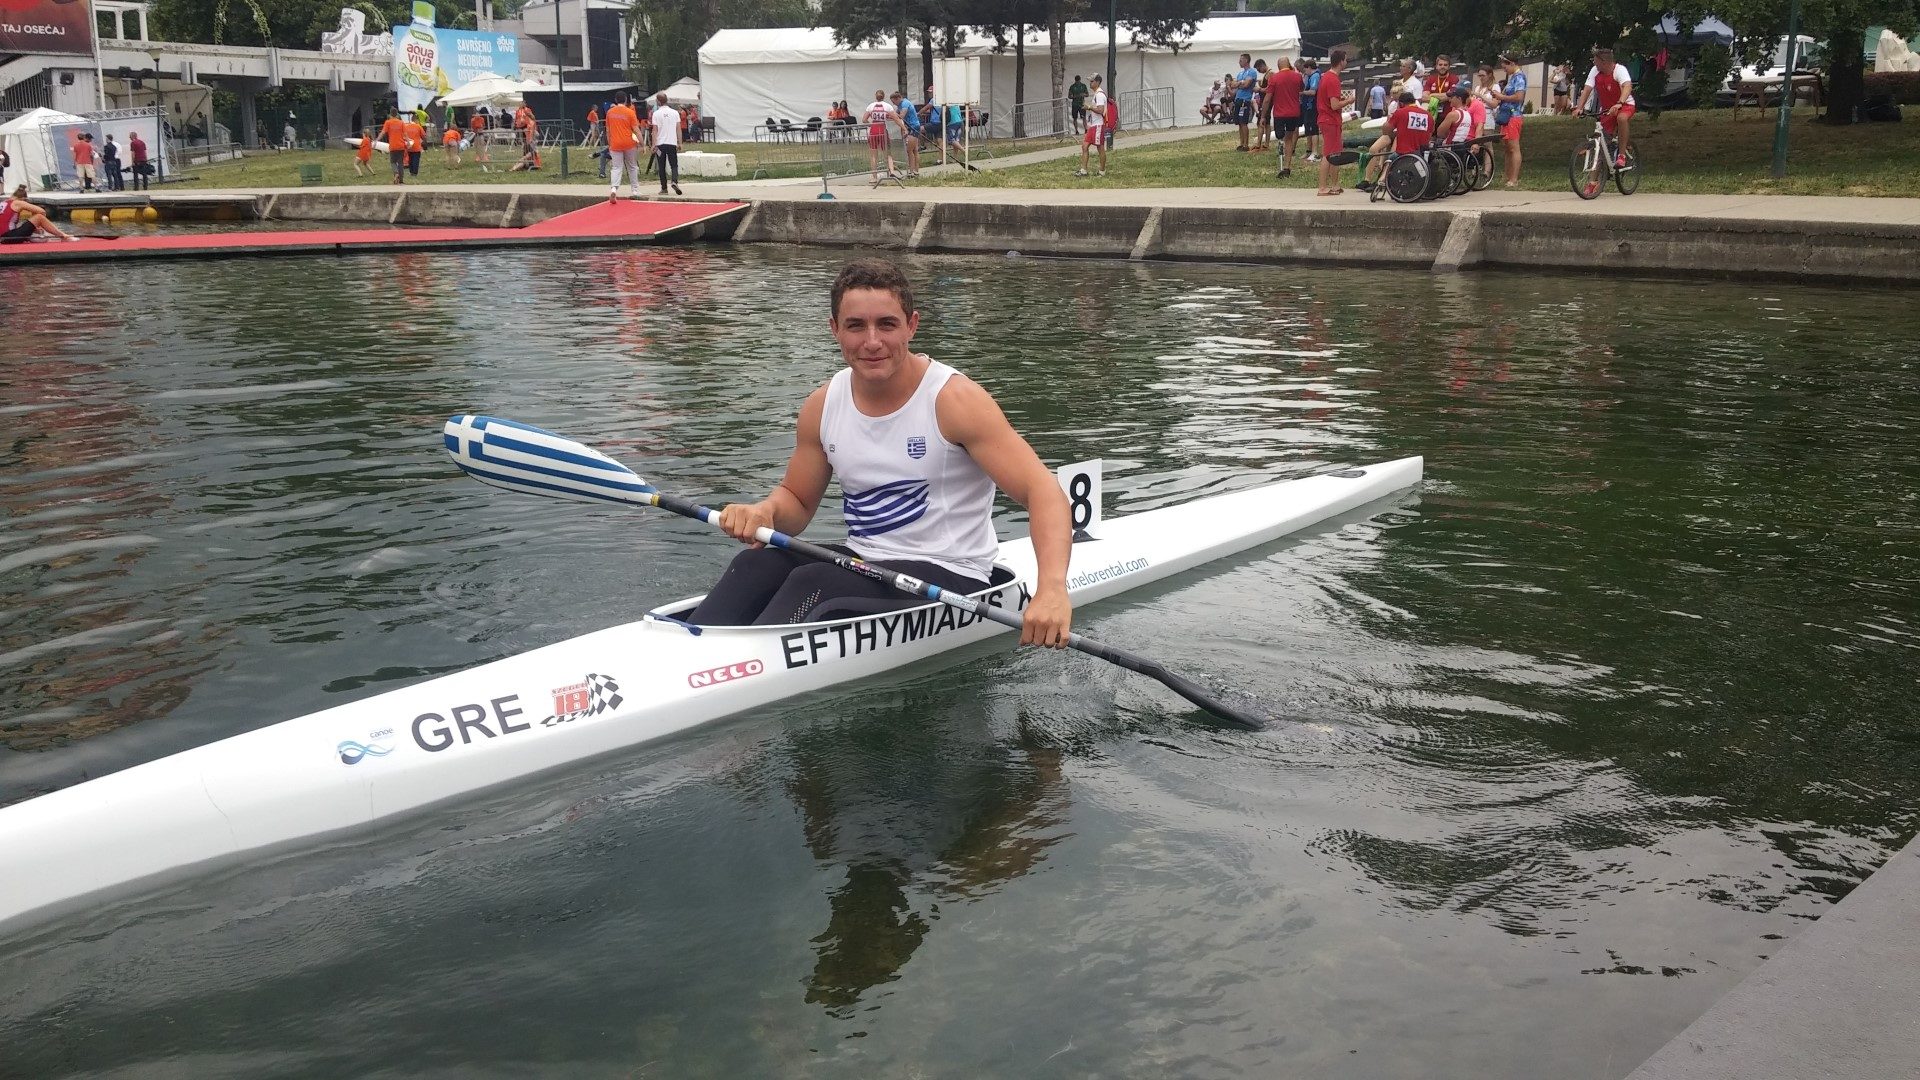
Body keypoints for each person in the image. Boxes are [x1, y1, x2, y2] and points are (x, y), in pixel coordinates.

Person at [686, 259, 1073, 648]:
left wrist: (1052, 589)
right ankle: (690, 651)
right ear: (835, 329)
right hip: (864, 561)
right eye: (856, 326)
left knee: (814, 581)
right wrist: (765, 511)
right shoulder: (823, 405)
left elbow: (1042, 490)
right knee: (755, 562)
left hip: (953, 574)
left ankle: (732, 668)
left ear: (911, 325)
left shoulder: (954, 401)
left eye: (887, 324)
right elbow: (797, 502)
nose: (872, 342)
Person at [1575, 47, 1635, 167]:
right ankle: (1594, 177)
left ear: (1604, 62)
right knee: (1601, 143)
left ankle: (1621, 155)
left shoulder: (1619, 70)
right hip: (1607, 109)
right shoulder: (1595, 71)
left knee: (1621, 118)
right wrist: (1579, 108)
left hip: (1625, 105)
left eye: (1595, 61)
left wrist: (1620, 103)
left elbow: (1627, 86)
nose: (1594, 64)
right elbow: (1587, 89)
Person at [1358, 90, 1431, 192]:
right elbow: (1430, 133)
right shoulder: (1428, 115)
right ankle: (1369, 179)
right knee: (1377, 149)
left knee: (1391, 156)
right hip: (1421, 150)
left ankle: (1380, 180)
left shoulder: (1401, 112)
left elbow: (1386, 129)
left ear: (1401, 103)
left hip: (1404, 147)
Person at [1315, 50, 1351, 196]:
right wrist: (1348, 101)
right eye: (1346, 60)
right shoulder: (1333, 79)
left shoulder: (1326, 77)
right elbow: (1335, 105)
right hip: (1330, 119)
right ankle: (1322, 187)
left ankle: (1335, 185)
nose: (1346, 62)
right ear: (1341, 61)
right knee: (1329, 154)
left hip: (1327, 119)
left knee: (1335, 153)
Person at [1493, 54, 1529, 186]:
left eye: (1505, 67)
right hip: (1506, 116)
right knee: (1507, 148)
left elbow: (1519, 97)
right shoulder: (1513, 77)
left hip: (1514, 115)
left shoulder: (1519, 77)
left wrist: (1501, 97)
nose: (1505, 70)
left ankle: (1514, 179)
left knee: (1514, 148)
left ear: (1512, 63)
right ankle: (1507, 176)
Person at [1, 185, 78, 242]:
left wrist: (33, 227)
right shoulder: (17, 202)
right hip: (9, 236)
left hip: (3, 238)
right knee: (39, 217)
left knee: (30, 223)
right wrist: (36, 226)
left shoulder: (3, 203)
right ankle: (64, 236)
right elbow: (41, 211)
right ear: (23, 199)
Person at [1269, 57, 1304, 178]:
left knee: (1280, 137)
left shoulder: (1274, 78)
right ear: (1289, 64)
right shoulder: (1297, 76)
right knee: (1289, 138)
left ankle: (1281, 162)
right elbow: (1302, 88)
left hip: (1279, 113)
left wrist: (1264, 114)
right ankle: (1287, 166)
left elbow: (1268, 97)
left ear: (1278, 66)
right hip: (1293, 112)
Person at [604, 91, 642, 200]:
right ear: (625, 99)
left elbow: (608, 130)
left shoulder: (610, 112)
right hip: (629, 143)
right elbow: (636, 130)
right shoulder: (630, 112)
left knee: (616, 167)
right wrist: (642, 143)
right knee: (632, 166)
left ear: (616, 100)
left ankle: (614, 189)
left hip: (615, 144)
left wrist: (610, 143)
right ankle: (635, 190)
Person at [862, 89, 902, 183]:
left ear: (875, 96)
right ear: (884, 96)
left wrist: (870, 124)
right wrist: (904, 128)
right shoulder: (887, 106)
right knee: (887, 153)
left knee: (873, 155)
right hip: (882, 129)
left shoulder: (870, 106)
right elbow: (896, 118)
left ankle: (874, 177)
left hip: (873, 130)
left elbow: (864, 119)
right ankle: (892, 171)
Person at [1075, 74, 1107, 177]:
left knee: (1100, 148)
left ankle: (1102, 171)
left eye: (1092, 81)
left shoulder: (1100, 95)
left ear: (1097, 82)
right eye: (1090, 81)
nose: (1090, 83)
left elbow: (1101, 110)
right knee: (1084, 146)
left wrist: (1089, 107)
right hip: (1093, 126)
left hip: (1098, 125)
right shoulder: (1096, 94)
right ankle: (1083, 170)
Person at [651, 91, 683, 195]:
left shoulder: (656, 114)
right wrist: (680, 142)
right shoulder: (675, 113)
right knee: (674, 164)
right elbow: (678, 129)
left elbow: (655, 130)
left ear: (658, 101)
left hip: (660, 144)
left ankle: (664, 188)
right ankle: (674, 181)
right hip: (672, 142)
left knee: (661, 166)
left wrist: (653, 144)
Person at [891, 91, 922, 177]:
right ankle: (915, 170)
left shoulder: (905, 103)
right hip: (910, 126)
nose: (894, 104)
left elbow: (901, 116)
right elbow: (897, 115)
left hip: (913, 127)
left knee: (910, 150)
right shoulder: (900, 105)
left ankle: (912, 171)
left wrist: (893, 113)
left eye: (894, 102)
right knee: (914, 150)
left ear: (898, 98)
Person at [1231, 53, 1257, 151]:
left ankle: (1246, 144)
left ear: (1246, 60)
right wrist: (1240, 83)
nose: (1239, 62)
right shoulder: (1240, 73)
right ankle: (1241, 143)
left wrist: (1240, 83)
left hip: (1245, 100)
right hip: (1238, 99)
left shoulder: (1252, 72)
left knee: (1243, 122)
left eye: (1241, 60)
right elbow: (1233, 85)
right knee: (1239, 122)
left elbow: (1246, 85)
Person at [378, 107, 409, 184]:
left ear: (390, 114)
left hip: (393, 146)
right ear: (397, 114)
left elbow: (383, 132)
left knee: (393, 162)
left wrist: (376, 140)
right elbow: (405, 134)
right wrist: (408, 142)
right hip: (401, 145)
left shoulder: (388, 122)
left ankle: (396, 173)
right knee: (400, 163)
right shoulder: (401, 122)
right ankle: (401, 180)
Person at [1301, 58, 1322, 163]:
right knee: (1307, 128)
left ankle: (1315, 152)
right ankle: (1309, 150)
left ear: (1309, 68)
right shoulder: (1309, 76)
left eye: (1305, 70)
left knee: (1313, 128)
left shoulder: (1315, 76)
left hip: (1312, 106)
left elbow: (1313, 92)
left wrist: (1301, 92)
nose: (1305, 72)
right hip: (1307, 106)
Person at [1252, 58, 1273, 151]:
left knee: (1261, 121)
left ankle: (1259, 144)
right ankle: (1265, 144)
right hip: (1264, 100)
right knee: (1266, 122)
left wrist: (1259, 89)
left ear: (1262, 65)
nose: (1259, 71)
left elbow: (1270, 89)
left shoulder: (1270, 74)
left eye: (1258, 69)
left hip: (1266, 101)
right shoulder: (1267, 74)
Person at [402, 110, 426, 178]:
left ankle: (411, 171)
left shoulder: (406, 126)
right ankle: (415, 172)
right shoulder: (418, 126)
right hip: (417, 146)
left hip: (409, 145)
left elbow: (404, 135)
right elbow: (423, 135)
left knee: (410, 159)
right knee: (416, 159)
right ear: (416, 120)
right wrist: (424, 141)